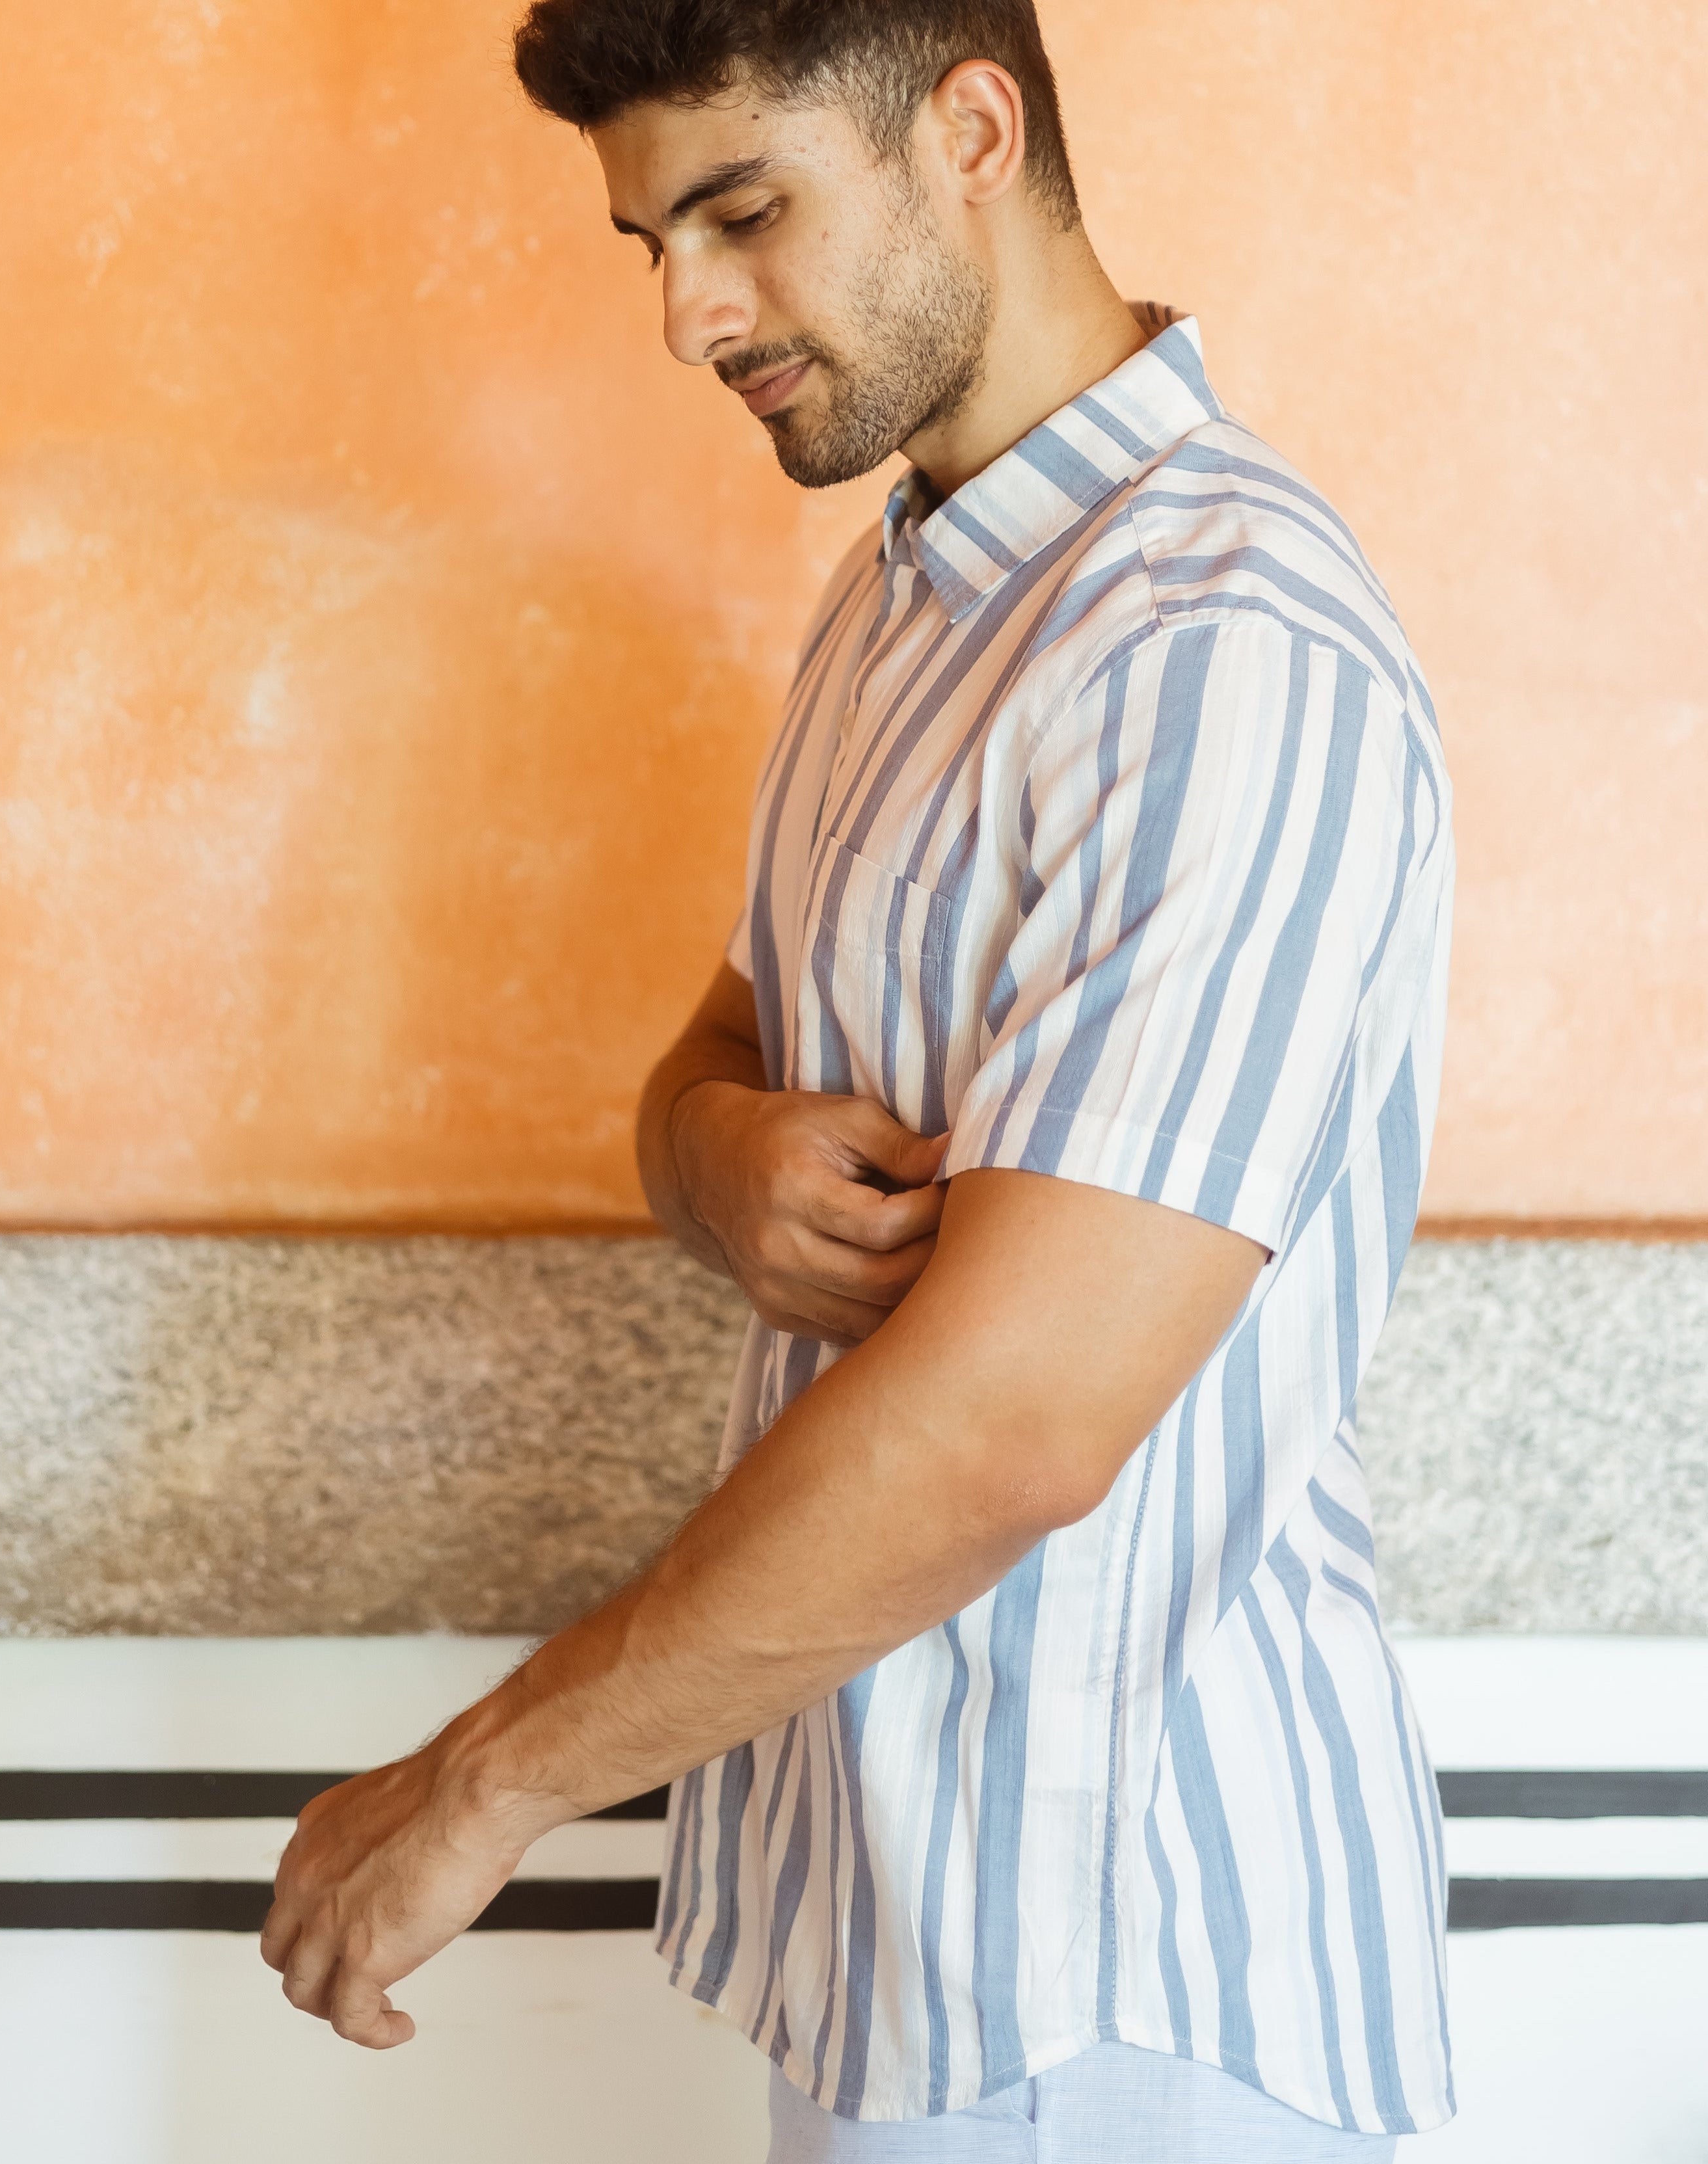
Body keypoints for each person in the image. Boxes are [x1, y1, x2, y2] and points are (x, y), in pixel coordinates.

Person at [261, 4, 1456, 2155]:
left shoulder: (1220, 646)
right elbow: (710, 1067)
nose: (687, 311)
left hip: (1118, 1977)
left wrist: (482, 1786)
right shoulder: (904, 601)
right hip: (896, 1945)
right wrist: (720, 1160)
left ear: (971, 129)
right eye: (653, 240)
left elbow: (1016, 1424)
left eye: (745, 211)